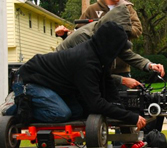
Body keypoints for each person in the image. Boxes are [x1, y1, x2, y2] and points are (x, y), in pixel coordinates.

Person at [13, 21, 146, 130]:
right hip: (29, 80)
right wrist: (130, 117)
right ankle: (19, 109)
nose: (119, 52)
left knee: (77, 112)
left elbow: (109, 85)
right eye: (119, 47)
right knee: (61, 113)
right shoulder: (86, 61)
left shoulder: (99, 57)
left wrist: (122, 111)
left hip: (52, 84)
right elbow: (96, 103)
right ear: (110, 45)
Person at [56, 0, 142, 83]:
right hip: (97, 67)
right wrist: (64, 34)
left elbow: (138, 29)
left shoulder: (127, 8)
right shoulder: (92, 9)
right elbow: (79, 35)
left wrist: (117, 30)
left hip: (122, 68)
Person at [56, 4, 165, 89]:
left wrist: (150, 65)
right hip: (60, 78)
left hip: (79, 76)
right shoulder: (84, 38)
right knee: (73, 112)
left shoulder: (108, 37)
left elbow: (127, 54)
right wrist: (122, 80)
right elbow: (93, 74)